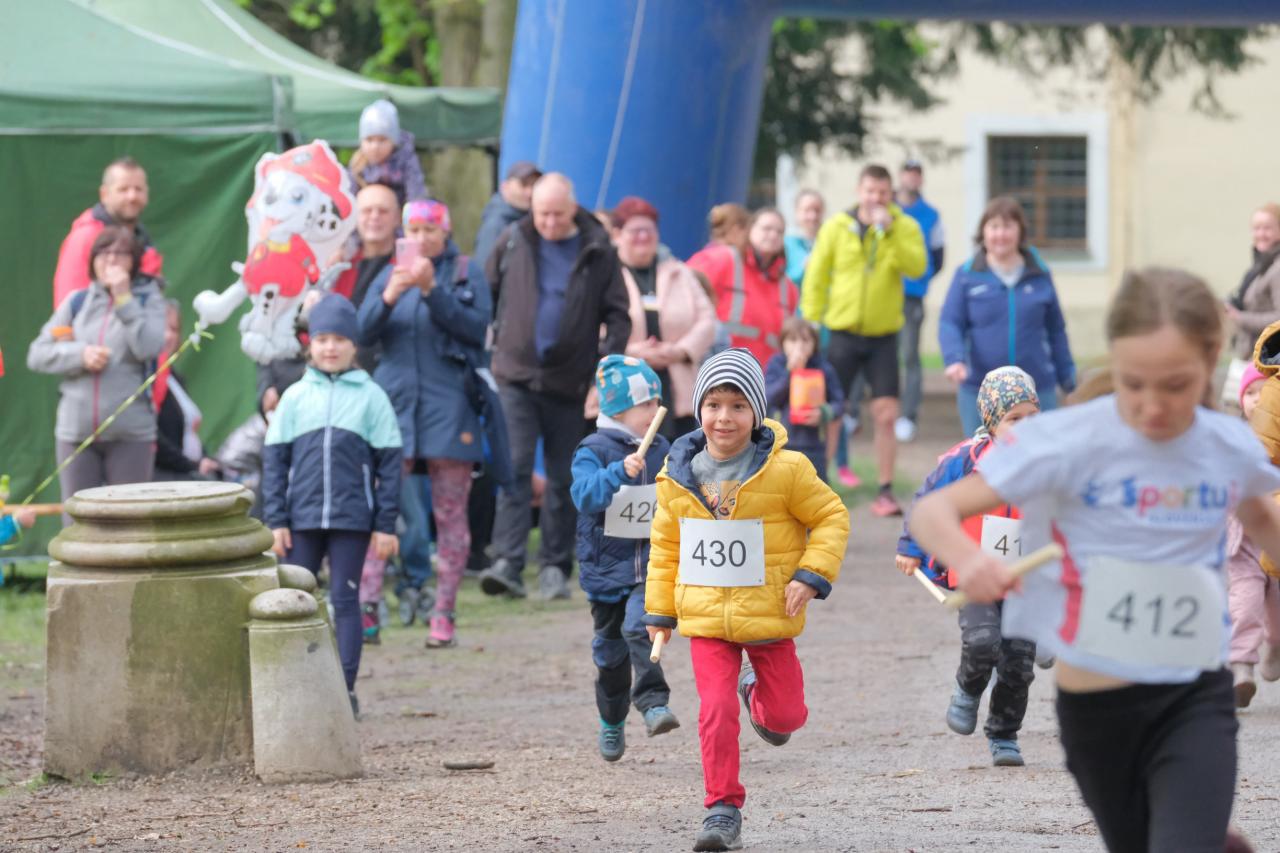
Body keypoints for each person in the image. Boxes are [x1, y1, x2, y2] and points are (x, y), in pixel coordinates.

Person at [907, 268, 1280, 853]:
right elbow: (933, 512)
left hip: (1195, 695)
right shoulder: (1068, 440)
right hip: (1098, 709)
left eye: (1176, 385)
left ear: (1211, 360)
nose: (1153, 406)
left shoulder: (1225, 444)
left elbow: (1267, 527)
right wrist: (966, 559)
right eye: (1134, 384)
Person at [643, 348, 849, 852]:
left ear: (756, 410)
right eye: (713, 405)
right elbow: (666, 547)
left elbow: (831, 516)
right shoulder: (677, 475)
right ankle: (721, 809)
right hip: (706, 618)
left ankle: (754, 689)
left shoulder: (787, 470)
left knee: (785, 718)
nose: (724, 417)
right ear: (699, 409)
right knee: (714, 711)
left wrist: (810, 575)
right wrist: (660, 612)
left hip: (770, 615)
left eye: (738, 406)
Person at [479, 173, 631, 601]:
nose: (548, 222)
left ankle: (554, 565)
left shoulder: (597, 248)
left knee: (565, 475)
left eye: (557, 214)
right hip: (515, 374)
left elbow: (618, 315)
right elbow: (486, 293)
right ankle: (507, 561)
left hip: (571, 381)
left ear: (573, 208)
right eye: (541, 213)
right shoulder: (513, 239)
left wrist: (605, 371)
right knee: (516, 466)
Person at [359, 199, 494, 648]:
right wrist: (389, 296)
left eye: (429, 230)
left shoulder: (465, 272)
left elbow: (476, 330)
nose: (420, 239)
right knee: (379, 508)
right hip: (393, 409)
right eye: (413, 230)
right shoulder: (388, 273)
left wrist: (433, 290)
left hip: (449, 410)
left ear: (445, 231)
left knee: (450, 516)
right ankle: (367, 607)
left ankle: (444, 613)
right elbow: (360, 333)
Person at [264, 294, 402, 717]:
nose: (330, 347)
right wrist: (276, 519)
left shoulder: (372, 397)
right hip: (300, 519)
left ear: (354, 345)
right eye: (322, 338)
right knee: (295, 602)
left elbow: (390, 465)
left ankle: (344, 691)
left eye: (340, 339)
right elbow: (274, 463)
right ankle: (296, 688)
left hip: (352, 519)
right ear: (310, 343)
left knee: (345, 600)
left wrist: (385, 524)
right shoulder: (294, 397)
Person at [896, 366, 1041, 767]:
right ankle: (968, 688)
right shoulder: (965, 461)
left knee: (1018, 663)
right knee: (982, 642)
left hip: (1024, 579)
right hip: (974, 575)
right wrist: (911, 546)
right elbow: (928, 501)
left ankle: (1004, 733)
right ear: (992, 424)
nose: (1025, 428)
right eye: (1014, 419)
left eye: (1032, 417)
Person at [801, 164, 926, 517]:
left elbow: (917, 267)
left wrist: (890, 232)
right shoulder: (836, 227)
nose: (876, 198)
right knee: (831, 412)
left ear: (891, 194)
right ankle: (819, 485)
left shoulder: (904, 226)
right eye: (870, 191)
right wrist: (811, 323)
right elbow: (817, 275)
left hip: (883, 336)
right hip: (841, 332)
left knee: (885, 414)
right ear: (860, 191)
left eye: (883, 193)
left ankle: (885, 491)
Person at [571, 355, 679, 761]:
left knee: (640, 626)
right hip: (605, 572)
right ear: (618, 409)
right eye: (645, 403)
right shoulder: (593, 449)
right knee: (610, 659)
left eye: (657, 401)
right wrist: (617, 472)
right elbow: (584, 496)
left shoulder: (664, 449)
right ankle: (612, 720)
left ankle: (653, 703)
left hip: (651, 567)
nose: (655, 410)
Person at [28, 226, 167, 519]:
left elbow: (148, 347)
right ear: (92, 261)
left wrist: (124, 299)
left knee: (130, 523)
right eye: (103, 253)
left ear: (134, 262)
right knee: (78, 523)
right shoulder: (76, 303)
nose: (111, 260)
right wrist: (79, 355)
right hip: (75, 434)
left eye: (121, 254)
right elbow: (37, 354)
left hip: (131, 434)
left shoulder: (149, 299)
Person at [938, 196, 1076, 438]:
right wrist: (954, 359)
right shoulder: (967, 276)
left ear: (1020, 231)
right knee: (983, 456)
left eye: (1008, 226)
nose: (1000, 234)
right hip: (980, 389)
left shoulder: (1040, 275)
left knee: (1039, 456)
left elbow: (1056, 330)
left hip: (1036, 389)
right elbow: (950, 322)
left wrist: (1069, 380)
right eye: (994, 227)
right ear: (983, 232)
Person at [613, 196, 717, 439]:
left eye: (648, 230)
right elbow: (593, 326)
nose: (643, 237)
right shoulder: (605, 273)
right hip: (624, 386)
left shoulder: (680, 272)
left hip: (675, 387)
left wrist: (679, 351)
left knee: (678, 453)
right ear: (618, 234)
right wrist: (631, 352)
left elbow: (707, 320)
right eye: (635, 230)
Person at [1228, 363, 1280, 707]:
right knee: (1244, 605)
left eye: (1264, 391)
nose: (1257, 399)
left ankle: (1274, 646)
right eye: (1250, 393)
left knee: (1277, 613)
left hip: (1274, 543)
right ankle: (1241, 667)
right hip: (1243, 546)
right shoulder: (1232, 438)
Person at [687, 208, 798, 367]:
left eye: (779, 232)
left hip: (763, 374)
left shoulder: (788, 289)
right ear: (750, 229)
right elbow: (683, 293)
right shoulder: (721, 260)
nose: (773, 235)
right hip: (718, 367)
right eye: (767, 228)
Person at [52, 157, 164, 309]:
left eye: (138, 189)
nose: (132, 196)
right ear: (104, 194)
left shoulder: (143, 242)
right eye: (123, 189)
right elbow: (69, 306)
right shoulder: (86, 237)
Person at [894, 160, 946, 443]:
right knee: (878, 353)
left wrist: (919, 277)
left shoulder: (931, 215)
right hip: (882, 294)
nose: (912, 179)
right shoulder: (887, 208)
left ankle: (908, 415)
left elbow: (938, 258)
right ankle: (860, 411)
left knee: (910, 355)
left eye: (917, 175)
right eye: (908, 174)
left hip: (912, 296)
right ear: (901, 177)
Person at [763, 318, 843, 483]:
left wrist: (824, 413)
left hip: (814, 445)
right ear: (783, 343)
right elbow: (769, 398)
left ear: (815, 343)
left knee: (815, 489)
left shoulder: (823, 368)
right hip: (781, 444)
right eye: (793, 340)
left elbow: (839, 403)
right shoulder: (776, 365)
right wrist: (790, 374)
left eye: (805, 340)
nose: (799, 346)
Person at [153, 300, 221, 481]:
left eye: (174, 329)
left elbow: (188, 431)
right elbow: (154, 439)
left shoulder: (175, 377)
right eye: (163, 328)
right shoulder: (148, 380)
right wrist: (193, 466)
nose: (169, 335)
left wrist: (204, 459)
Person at [1225, 203, 1280, 366]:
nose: (1261, 234)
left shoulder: (1277, 268)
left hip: (1267, 360)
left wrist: (1238, 317)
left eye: (1267, 228)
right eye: (1256, 228)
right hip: (1251, 355)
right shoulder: (1262, 264)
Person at [347, 99, 427, 208]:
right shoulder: (357, 164)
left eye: (382, 140)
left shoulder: (406, 161)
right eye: (369, 140)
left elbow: (416, 195)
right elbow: (348, 199)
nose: (375, 146)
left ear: (394, 142)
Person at [474, 161, 542, 269]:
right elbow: (485, 271)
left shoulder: (532, 221)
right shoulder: (496, 225)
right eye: (524, 184)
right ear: (504, 186)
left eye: (534, 185)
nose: (530, 192)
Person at [783, 190, 824, 286]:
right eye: (807, 210)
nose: (813, 216)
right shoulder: (785, 243)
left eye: (817, 210)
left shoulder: (829, 240)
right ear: (797, 211)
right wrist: (804, 268)